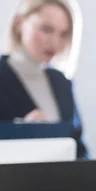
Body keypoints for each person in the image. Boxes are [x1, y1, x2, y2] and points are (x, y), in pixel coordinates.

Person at [0, 0, 88, 159]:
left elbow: (80, 150)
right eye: (46, 29)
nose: (54, 42)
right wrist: (19, 133)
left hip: (61, 182)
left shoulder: (62, 83)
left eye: (63, 34)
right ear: (19, 23)